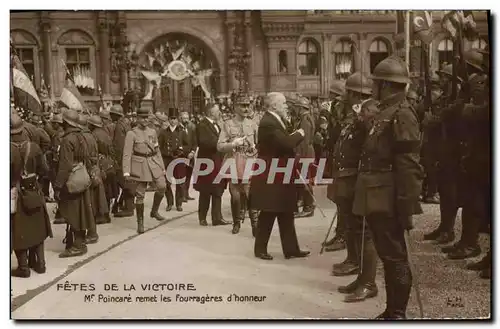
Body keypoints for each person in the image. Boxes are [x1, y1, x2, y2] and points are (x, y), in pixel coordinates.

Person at [352, 56, 423, 319]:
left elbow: (409, 165)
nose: (372, 88)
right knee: (388, 255)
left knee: (395, 258)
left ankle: (397, 313)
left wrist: (406, 205)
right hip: (377, 196)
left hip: (389, 198)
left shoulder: (402, 114)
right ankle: (391, 310)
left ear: (385, 85)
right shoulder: (385, 112)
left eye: (376, 83)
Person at [250, 92, 310, 261]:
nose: (286, 106)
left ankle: (291, 249)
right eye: (283, 103)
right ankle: (260, 249)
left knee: (286, 211)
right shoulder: (269, 122)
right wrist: (300, 133)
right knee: (269, 211)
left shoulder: (275, 120)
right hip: (272, 172)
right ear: (274, 105)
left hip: (279, 172)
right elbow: (285, 143)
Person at [327, 71, 372, 276]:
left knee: (357, 225)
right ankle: (352, 259)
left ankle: (357, 262)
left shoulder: (367, 115)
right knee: (350, 223)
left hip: (355, 177)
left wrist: (361, 114)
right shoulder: (350, 115)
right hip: (345, 175)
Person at [11, 114, 53, 277]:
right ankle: (40, 263)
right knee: (38, 227)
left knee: (17, 228)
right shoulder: (34, 147)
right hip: (34, 190)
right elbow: (44, 170)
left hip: (14, 194)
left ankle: (23, 267)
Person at [54, 109, 95, 258]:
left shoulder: (67, 140)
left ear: (65, 122)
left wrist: (58, 186)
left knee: (72, 212)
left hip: (71, 179)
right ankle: (80, 242)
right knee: (81, 211)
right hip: (81, 176)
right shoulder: (81, 136)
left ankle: (77, 245)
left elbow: (65, 165)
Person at [217, 94, 259, 236]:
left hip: (249, 160)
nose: (246, 108)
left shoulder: (253, 124)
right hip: (234, 160)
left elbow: (259, 144)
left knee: (250, 193)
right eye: (242, 105)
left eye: (248, 105)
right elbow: (220, 146)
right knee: (235, 195)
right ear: (235, 107)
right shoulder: (228, 124)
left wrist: (255, 148)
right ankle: (236, 222)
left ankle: (255, 225)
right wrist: (232, 144)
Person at [122, 107, 168, 234]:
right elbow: (127, 154)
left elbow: (157, 150)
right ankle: (140, 223)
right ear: (137, 118)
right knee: (140, 195)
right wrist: (126, 171)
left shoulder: (152, 132)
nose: (145, 120)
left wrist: (162, 167)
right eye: (142, 118)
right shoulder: (131, 133)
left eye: (147, 117)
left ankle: (154, 211)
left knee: (162, 186)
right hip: (140, 165)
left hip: (153, 162)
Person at [158, 108, 192, 212]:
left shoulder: (182, 132)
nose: (173, 121)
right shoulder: (163, 132)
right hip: (167, 159)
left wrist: (182, 150)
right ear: (168, 120)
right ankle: (169, 202)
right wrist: (165, 154)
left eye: (175, 119)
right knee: (167, 183)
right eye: (171, 119)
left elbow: (188, 145)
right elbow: (160, 146)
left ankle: (179, 203)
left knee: (180, 182)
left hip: (179, 159)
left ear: (178, 120)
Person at [293, 97, 316, 218]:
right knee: (302, 180)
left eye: (296, 107)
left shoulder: (305, 120)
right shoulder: (303, 118)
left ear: (301, 108)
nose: (295, 110)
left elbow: (304, 141)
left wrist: (298, 156)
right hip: (304, 153)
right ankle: (306, 205)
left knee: (305, 180)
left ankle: (309, 206)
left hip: (305, 153)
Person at [110, 104, 136, 217]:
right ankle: (126, 205)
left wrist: (117, 159)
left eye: (112, 114)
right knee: (127, 181)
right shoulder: (126, 123)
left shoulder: (119, 126)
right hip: (129, 156)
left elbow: (119, 145)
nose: (110, 116)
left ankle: (129, 208)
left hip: (123, 158)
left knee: (124, 182)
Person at [180, 111, 197, 202]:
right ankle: (182, 195)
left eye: (187, 118)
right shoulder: (178, 129)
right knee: (182, 176)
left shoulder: (192, 128)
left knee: (188, 175)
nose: (185, 120)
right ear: (180, 119)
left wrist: (193, 152)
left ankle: (186, 194)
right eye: (184, 118)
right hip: (182, 156)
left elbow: (195, 141)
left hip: (190, 156)